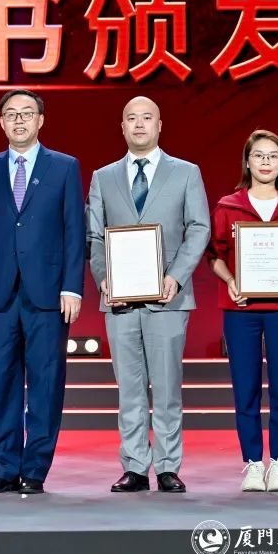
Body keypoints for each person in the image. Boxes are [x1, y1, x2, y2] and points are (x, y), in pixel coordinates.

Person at [86, 96, 209, 494]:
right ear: (122, 127)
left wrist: (176, 275)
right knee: (130, 388)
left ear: (159, 125)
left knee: (168, 387)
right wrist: (104, 278)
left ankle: (168, 466)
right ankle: (135, 466)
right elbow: (95, 236)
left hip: (169, 298)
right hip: (119, 300)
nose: (139, 124)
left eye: (146, 118)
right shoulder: (103, 177)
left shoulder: (186, 173)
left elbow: (199, 228)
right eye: (131, 118)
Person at [0, 89, 84, 495]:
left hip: (49, 293)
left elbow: (74, 229)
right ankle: (5, 466)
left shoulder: (64, 167)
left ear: (40, 121)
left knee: (46, 381)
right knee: (2, 381)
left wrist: (72, 286)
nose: (19, 120)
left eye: (27, 113)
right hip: (0, 293)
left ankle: (35, 468)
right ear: (1, 123)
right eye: (11, 114)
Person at [206, 130, 278, 492]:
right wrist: (230, 280)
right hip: (240, 310)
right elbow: (215, 255)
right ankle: (254, 463)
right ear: (248, 162)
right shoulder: (228, 206)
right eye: (259, 155)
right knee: (246, 388)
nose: (266, 162)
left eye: (273, 156)